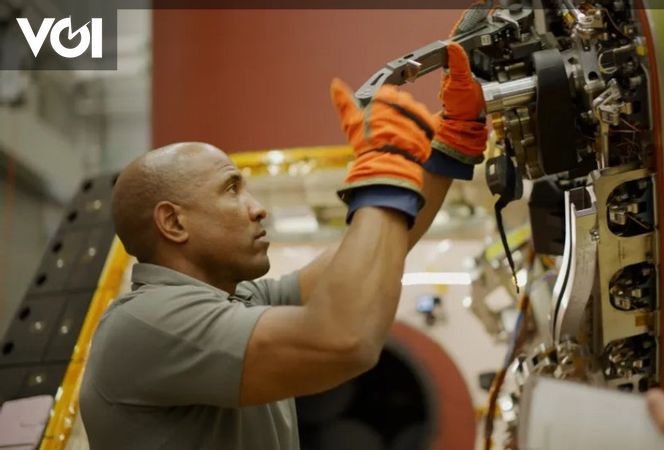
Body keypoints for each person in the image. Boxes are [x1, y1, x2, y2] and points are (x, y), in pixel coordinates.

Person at [78, 42, 487, 450]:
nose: (257, 210)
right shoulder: (148, 323)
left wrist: (445, 147)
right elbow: (345, 340)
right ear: (173, 222)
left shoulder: (237, 300)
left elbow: (358, 264)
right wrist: (383, 174)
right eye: (231, 189)